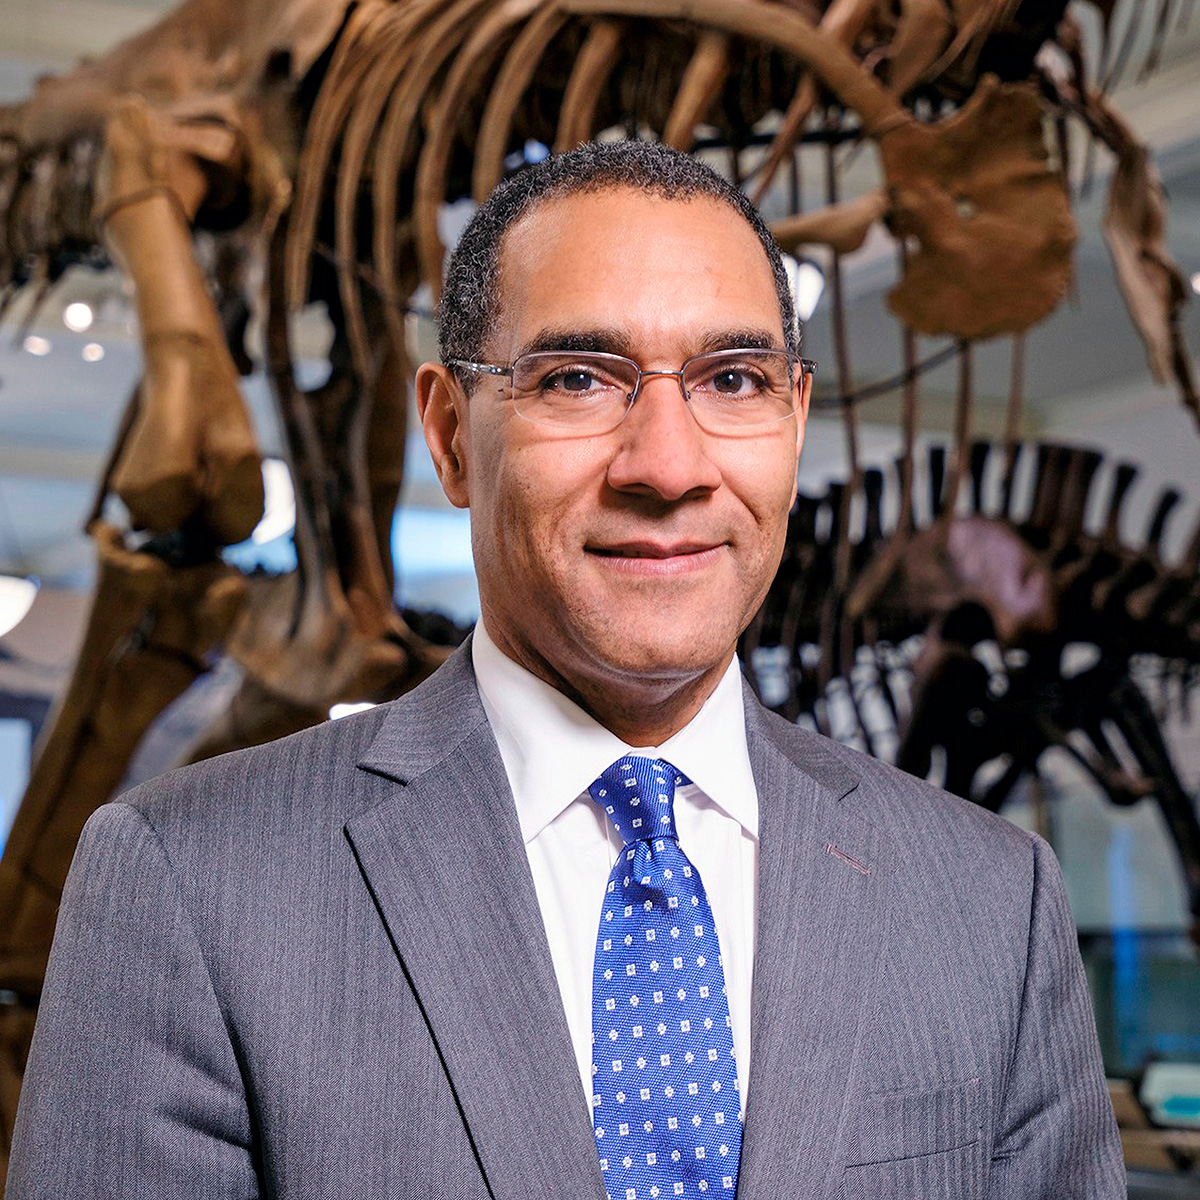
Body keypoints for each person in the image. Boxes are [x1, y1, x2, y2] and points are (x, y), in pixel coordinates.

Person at [7, 140, 1122, 1200]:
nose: (669, 467)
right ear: (449, 435)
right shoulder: (189, 889)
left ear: (793, 417)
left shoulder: (990, 903)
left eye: (733, 380)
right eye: (580, 379)